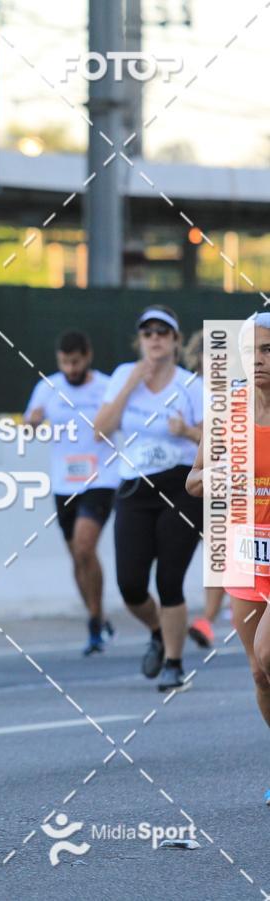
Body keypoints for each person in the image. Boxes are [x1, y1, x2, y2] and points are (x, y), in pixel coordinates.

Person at [94, 306, 203, 691]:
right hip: (135, 487)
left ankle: (174, 663)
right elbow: (100, 431)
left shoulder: (191, 385)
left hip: (182, 487)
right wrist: (130, 386)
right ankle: (158, 630)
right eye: (147, 333)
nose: (154, 338)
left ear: (175, 340)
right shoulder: (125, 375)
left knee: (169, 579)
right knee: (131, 585)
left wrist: (187, 430)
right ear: (139, 341)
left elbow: (217, 442)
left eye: (162, 332)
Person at [186, 313, 270, 801]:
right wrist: (219, 476)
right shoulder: (228, 411)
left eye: (269, 351)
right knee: (260, 674)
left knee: (267, 651)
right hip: (245, 554)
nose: (259, 361)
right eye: (252, 351)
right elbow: (193, 480)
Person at [25, 331, 119, 655]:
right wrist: (33, 422)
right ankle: (98, 615)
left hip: (101, 479)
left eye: (76, 361)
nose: (70, 368)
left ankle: (94, 622)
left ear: (87, 356)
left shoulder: (107, 387)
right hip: (63, 482)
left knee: (84, 545)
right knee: (77, 557)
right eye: (65, 362)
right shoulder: (47, 387)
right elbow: (28, 425)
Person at [180, 328, 225, 648]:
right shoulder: (187, 388)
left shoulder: (236, 392)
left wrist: (187, 430)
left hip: (224, 483)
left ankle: (208, 620)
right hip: (188, 481)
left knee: (218, 551)